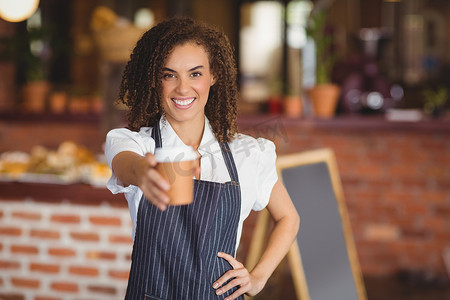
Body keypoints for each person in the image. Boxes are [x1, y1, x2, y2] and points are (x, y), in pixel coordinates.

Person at [105, 17, 299, 300]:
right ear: (154, 80)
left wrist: (257, 278)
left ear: (214, 75)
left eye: (195, 74)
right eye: (168, 75)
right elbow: (127, 165)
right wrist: (143, 171)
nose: (183, 88)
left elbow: (288, 218)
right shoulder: (135, 144)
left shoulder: (248, 154)